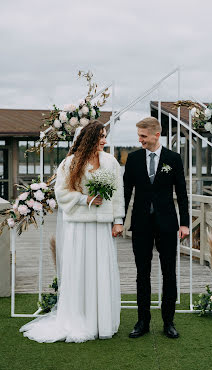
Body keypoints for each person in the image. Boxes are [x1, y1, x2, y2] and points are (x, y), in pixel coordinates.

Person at [20, 120, 125, 343]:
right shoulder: (70, 163)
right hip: (78, 226)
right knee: (80, 271)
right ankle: (79, 320)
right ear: (89, 139)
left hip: (102, 227)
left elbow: (118, 194)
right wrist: (85, 198)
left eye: (105, 136)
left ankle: (101, 322)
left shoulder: (111, 162)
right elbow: (62, 193)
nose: (104, 140)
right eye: (100, 137)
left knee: (101, 271)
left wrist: (118, 220)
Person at [123, 117, 189, 339]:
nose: (140, 139)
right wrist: (119, 220)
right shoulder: (132, 160)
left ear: (156, 135)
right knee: (143, 274)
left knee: (169, 273)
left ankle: (168, 322)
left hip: (168, 224)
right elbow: (125, 193)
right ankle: (142, 322)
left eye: (143, 136)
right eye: (139, 136)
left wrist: (185, 223)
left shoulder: (174, 159)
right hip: (140, 224)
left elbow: (182, 194)